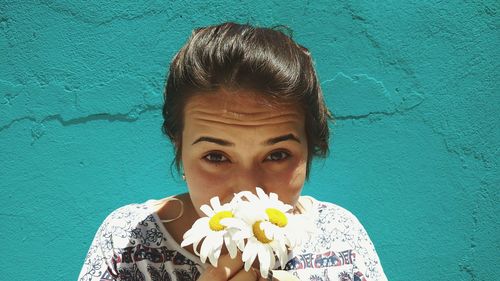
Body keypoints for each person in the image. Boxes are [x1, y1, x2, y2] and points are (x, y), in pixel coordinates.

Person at [78, 22, 388, 281]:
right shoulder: (126, 243)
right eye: (216, 157)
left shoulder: (341, 238)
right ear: (180, 149)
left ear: (311, 149)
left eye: (277, 155)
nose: (247, 192)